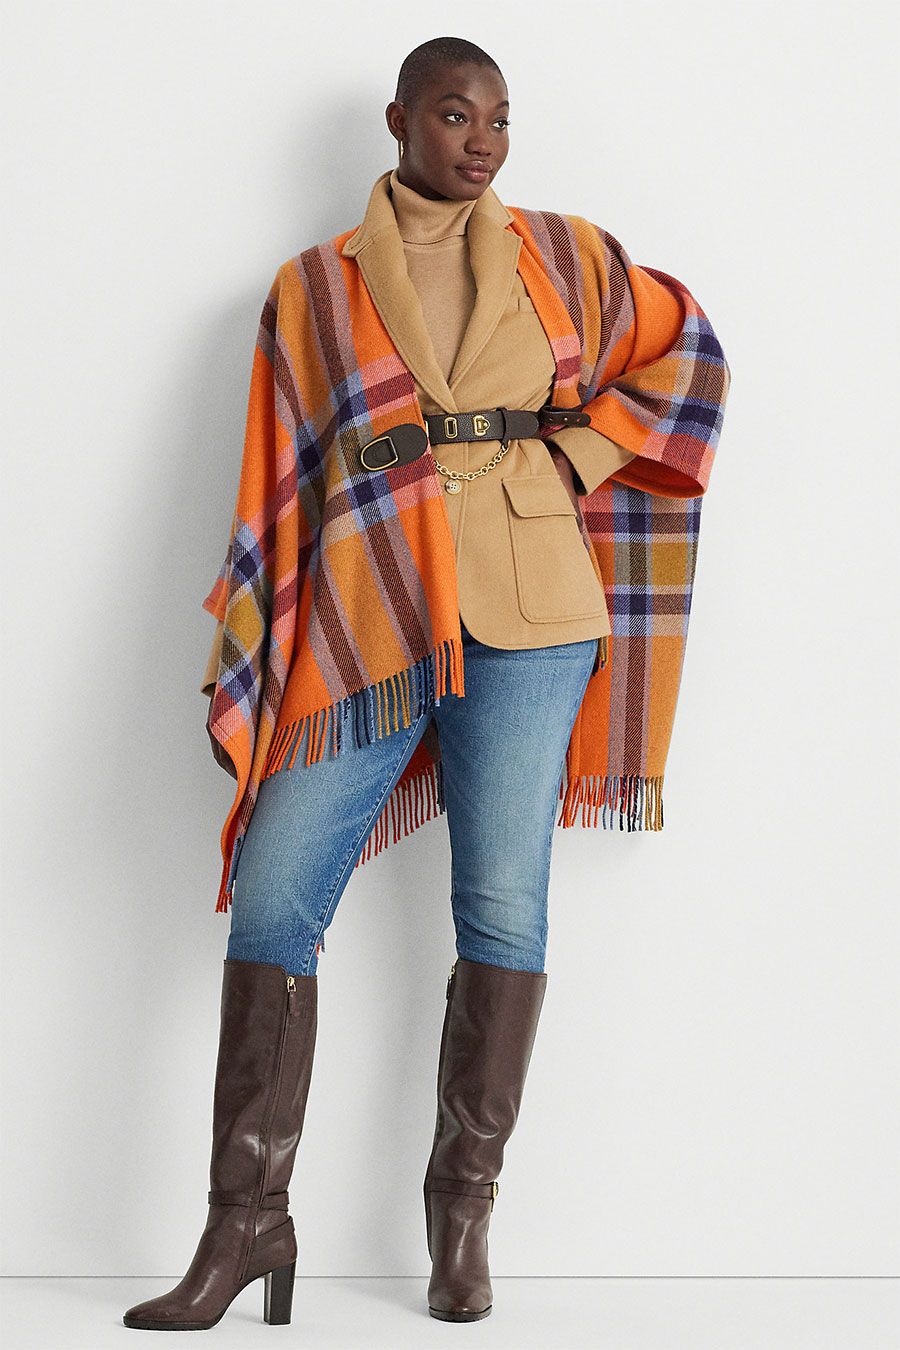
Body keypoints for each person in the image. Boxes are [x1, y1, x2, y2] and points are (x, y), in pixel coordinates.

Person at [124, 35, 729, 1333]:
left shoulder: (568, 256)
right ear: (400, 120)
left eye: (501, 118)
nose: (483, 140)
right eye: (457, 115)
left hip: (532, 613)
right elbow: (280, 474)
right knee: (278, 890)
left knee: (502, 903)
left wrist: (573, 457)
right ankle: (246, 1220)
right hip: (372, 618)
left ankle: (464, 1213)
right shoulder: (313, 285)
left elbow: (690, 350)